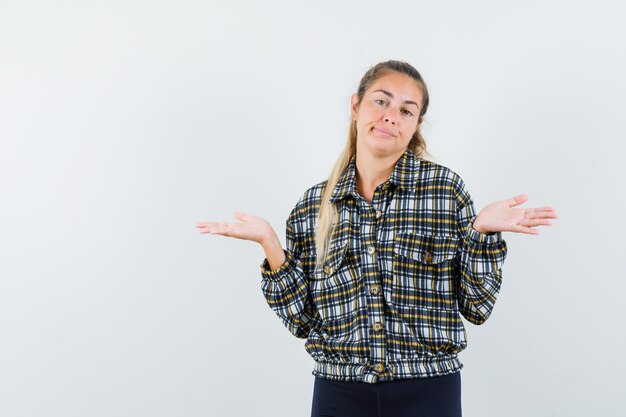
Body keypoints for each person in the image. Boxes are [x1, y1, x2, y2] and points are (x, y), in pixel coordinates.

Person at [196, 60, 558, 417]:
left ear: (415, 125)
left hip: (429, 391)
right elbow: (303, 321)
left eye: (406, 110)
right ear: (356, 106)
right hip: (338, 394)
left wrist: (482, 233)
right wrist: (270, 244)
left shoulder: (445, 191)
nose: (391, 117)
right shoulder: (312, 206)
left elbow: (476, 308)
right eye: (381, 101)